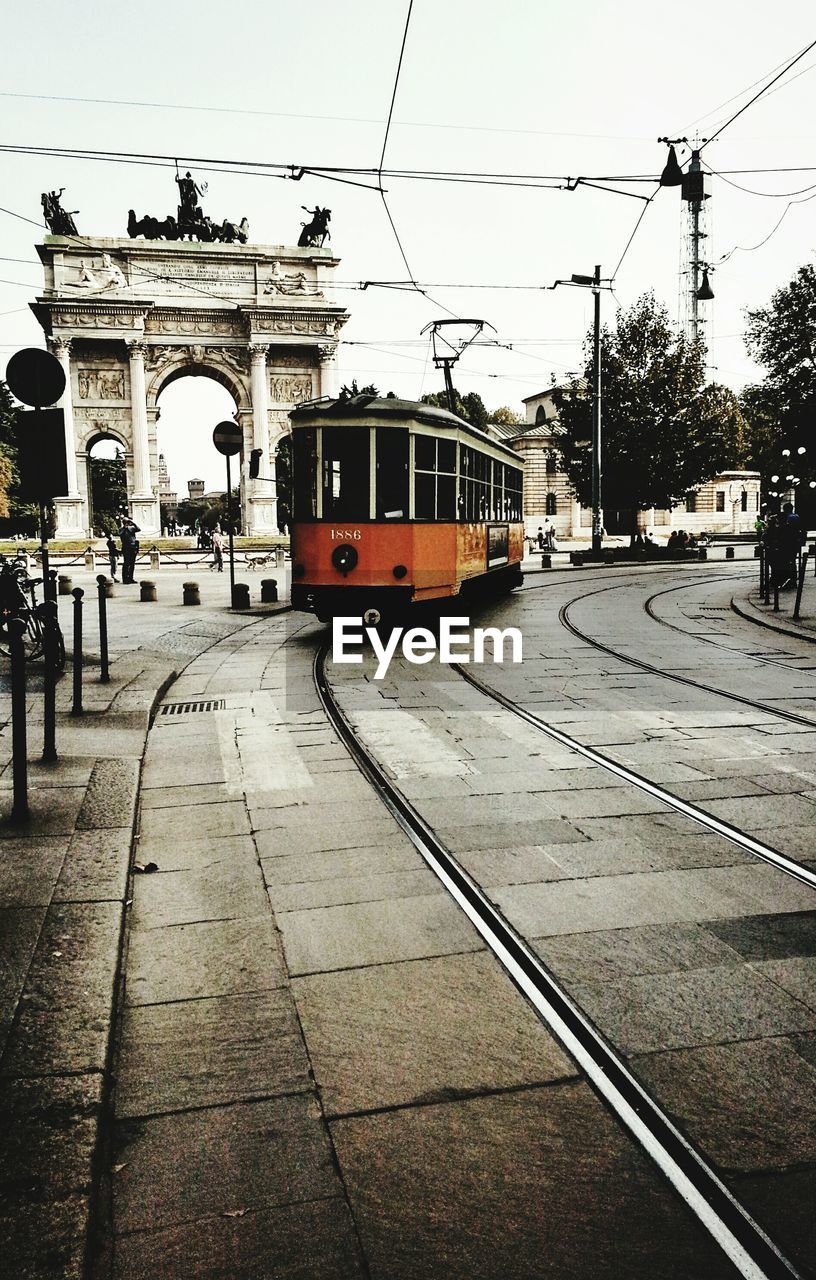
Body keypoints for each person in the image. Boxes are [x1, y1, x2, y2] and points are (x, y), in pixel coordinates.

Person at [119, 518, 140, 584]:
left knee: (132, 564)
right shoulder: (121, 529)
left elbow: (138, 529)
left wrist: (133, 523)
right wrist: (125, 528)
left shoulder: (131, 528)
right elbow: (120, 534)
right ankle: (125, 578)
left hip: (133, 547)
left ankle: (131, 578)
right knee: (126, 563)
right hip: (126, 547)